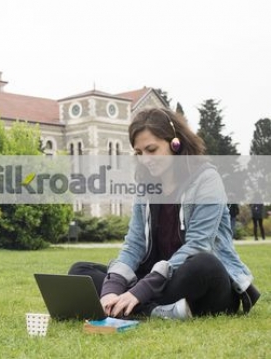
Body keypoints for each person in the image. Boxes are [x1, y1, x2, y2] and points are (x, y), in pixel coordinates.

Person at [68, 107, 260, 320]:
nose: (145, 159)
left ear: (175, 144)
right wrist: (110, 290)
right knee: (81, 271)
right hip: (158, 282)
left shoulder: (206, 180)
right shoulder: (146, 187)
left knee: (204, 264)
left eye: (151, 149)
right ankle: (155, 311)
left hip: (197, 281)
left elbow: (198, 245)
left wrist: (139, 291)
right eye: (139, 153)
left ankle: (138, 306)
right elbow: (134, 245)